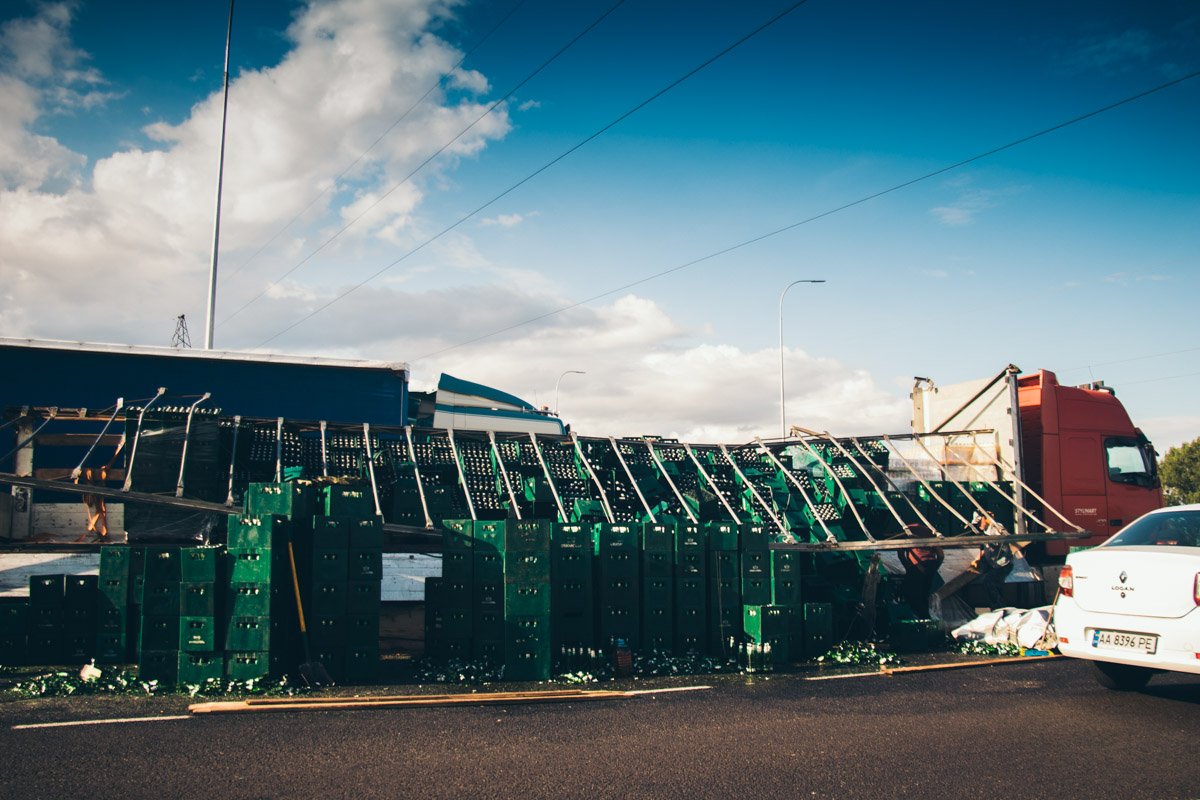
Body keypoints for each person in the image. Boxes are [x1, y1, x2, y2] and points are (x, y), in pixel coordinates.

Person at [897, 522, 943, 618]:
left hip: (917, 567)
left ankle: (921, 618)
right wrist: (935, 567)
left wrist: (909, 566)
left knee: (913, 595)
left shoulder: (908, 531)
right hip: (929, 566)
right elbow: (941, 555)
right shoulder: (930, 532)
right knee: (924, 595)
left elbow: (900, 552)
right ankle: (925, 618)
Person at [971, 512, 1015, 608]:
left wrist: (991, 520)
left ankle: (999, 607)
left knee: (990, 581)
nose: (979, 525)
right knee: (991, 583)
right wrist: (976, 560)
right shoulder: (984, 533)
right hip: (994, 564)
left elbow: (1001, 531)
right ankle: (997, 606)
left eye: (980, 522)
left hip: (1003, 564)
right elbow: (984, 549)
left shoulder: (994, 527)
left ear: (985, 519)